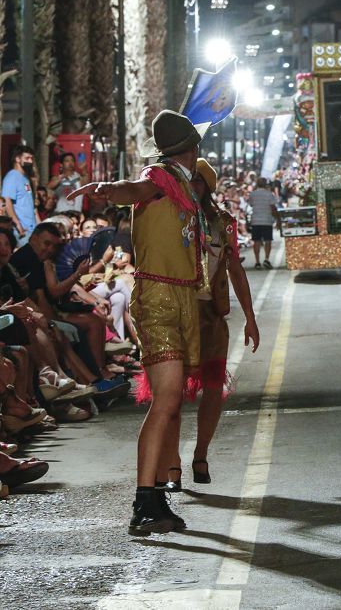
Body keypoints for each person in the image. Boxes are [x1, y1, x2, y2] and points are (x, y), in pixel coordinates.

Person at [68, 110, 207, 536]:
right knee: (165, 400)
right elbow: (136, 188)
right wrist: (109, 189)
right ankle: (145, 500)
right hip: (161, 297)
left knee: (172, 400)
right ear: (193, 146)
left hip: (181, 294)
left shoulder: (184, 182)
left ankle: (156, 491)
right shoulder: (161, 175)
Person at [140, 159, 259, 489]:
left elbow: (235, 269)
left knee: (212, 390)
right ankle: (173, 463)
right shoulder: (169, 216)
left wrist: (250, 317)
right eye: (188, 181)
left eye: (199, 182)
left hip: (211, 317)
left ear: (209, 187)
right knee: (171, 394)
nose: (192, 187)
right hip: (177, 314)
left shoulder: (223, 223)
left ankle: (201, 454)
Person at [3, 145, 41, 243]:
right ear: (17, 159)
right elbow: (7, 202)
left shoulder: (25, 178)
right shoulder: (12, 176)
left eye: (31, 158)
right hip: (21, 230)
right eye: (27, 158)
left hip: (31, 229)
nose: (30, 161)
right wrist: (17, 223)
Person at [248, 177, 280, 269]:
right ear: (266, 184)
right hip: (266, 220)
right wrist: (278, 219)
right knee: (268, 241)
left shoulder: (253, 194)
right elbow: (273, 208)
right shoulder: (269, 194)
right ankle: (266, 259)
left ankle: (257, 262)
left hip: (255, 221)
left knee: (256, 241)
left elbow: (251, 204)